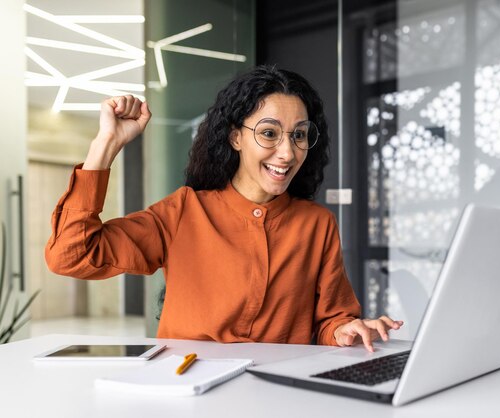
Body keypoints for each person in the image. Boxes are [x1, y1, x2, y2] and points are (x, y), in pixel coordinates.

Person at [45, 65, 403, 351]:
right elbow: (70, 255)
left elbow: (331, 320)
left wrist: (346, 330)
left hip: (276, 397)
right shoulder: (184, 211)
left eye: (299, 134)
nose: (288, 152)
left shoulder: (317, 224)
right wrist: (106, 144)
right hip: (187, 392)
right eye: (269, 133)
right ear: (236, 137)